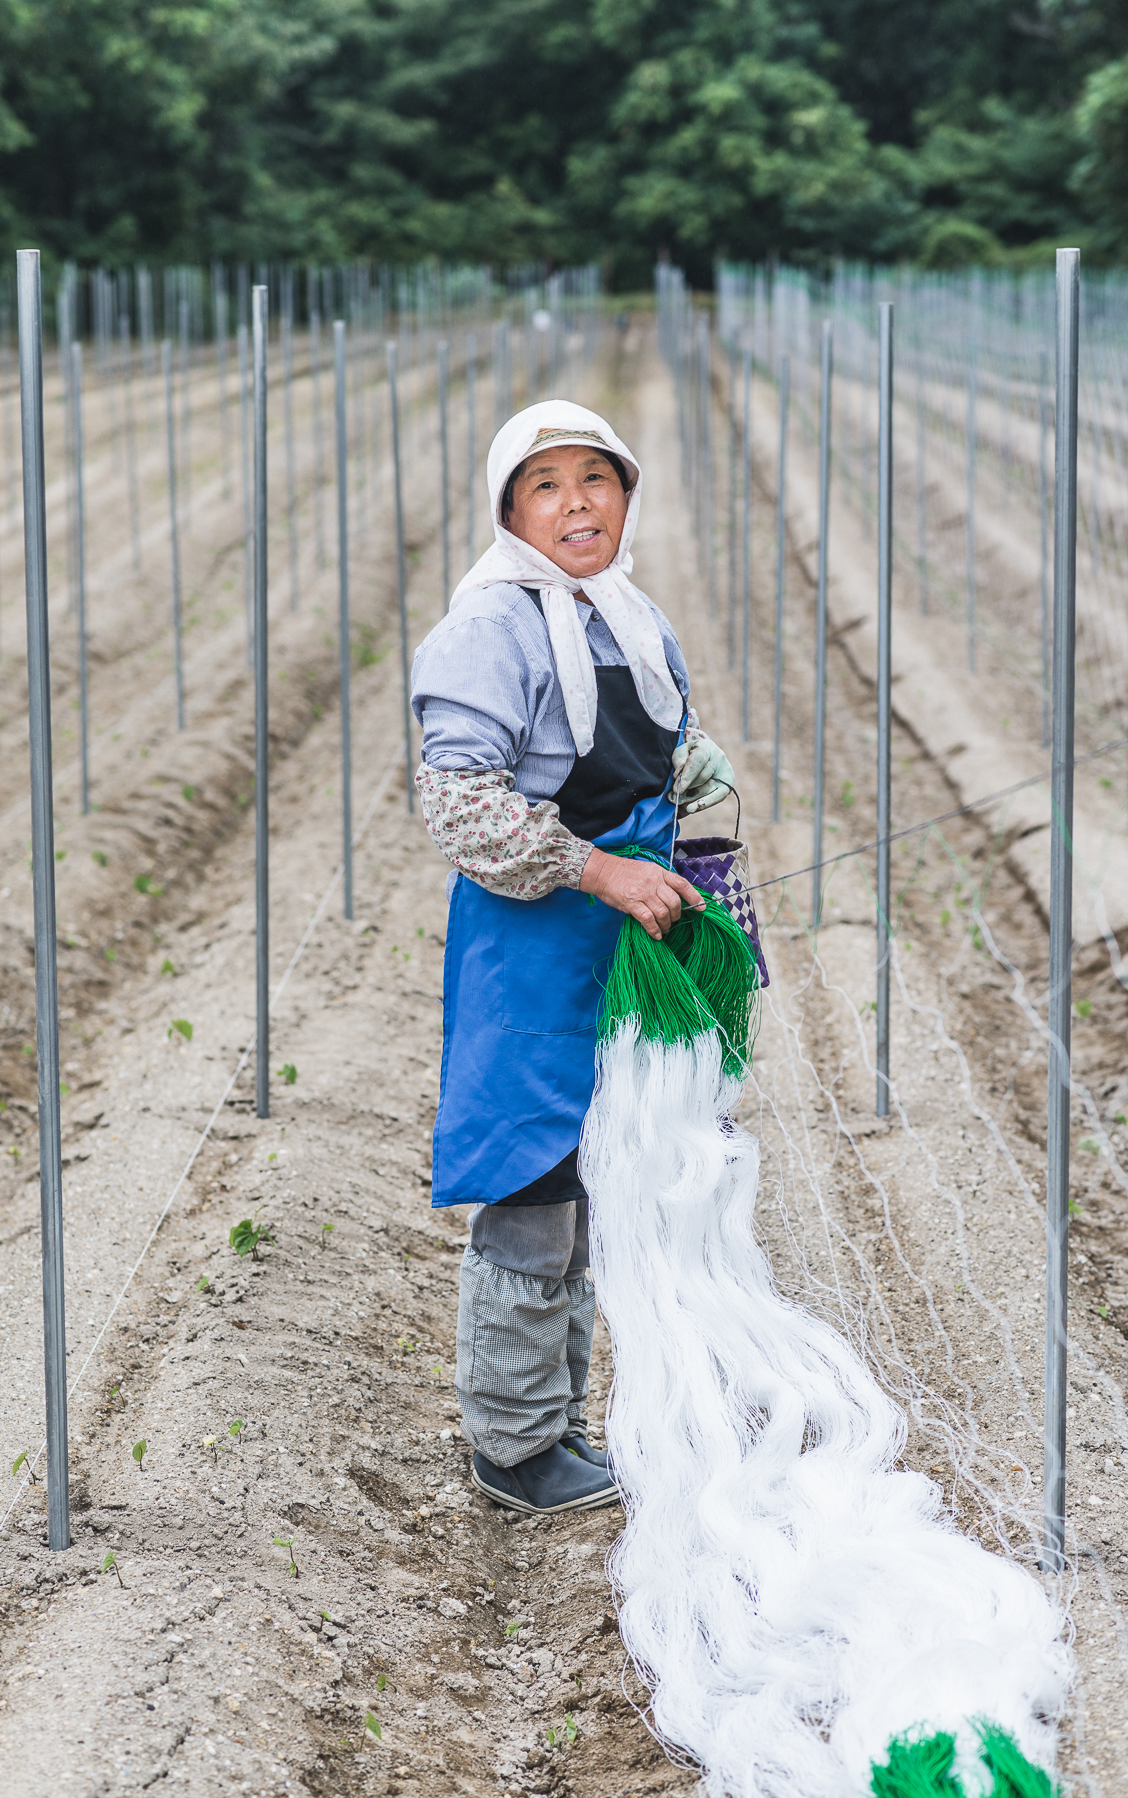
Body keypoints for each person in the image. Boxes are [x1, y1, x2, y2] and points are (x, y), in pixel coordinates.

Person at [411, 400, 734, 1517]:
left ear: (626, 494)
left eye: (596, 477)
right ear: (510, 511)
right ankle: (511, 1444)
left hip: (623, 937)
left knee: (599, 1169)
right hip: (537, 938)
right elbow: (459, 802)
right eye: (545, 485)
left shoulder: (629, 618)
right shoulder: (488, 630)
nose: (577, 503)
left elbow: (661, 742)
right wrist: (600, 872)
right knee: (531, 1180)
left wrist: (697, 793)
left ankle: (557, 1425)